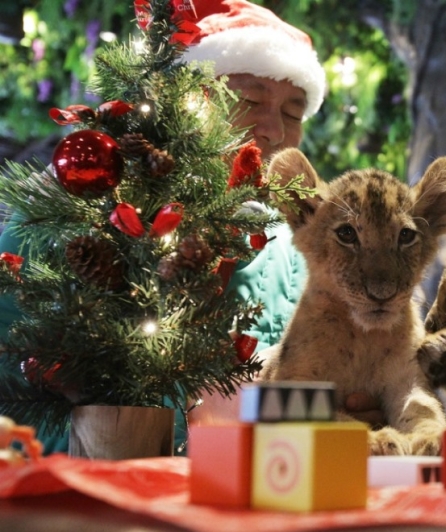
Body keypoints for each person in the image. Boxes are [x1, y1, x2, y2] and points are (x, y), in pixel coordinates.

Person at [0, 0, 380, 453]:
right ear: (183, 102)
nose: (275, 131)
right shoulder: (65, 215)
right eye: (250, 100)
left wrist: (350, 417)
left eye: (293, 113)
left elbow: (316, 395)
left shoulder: (297, 250)